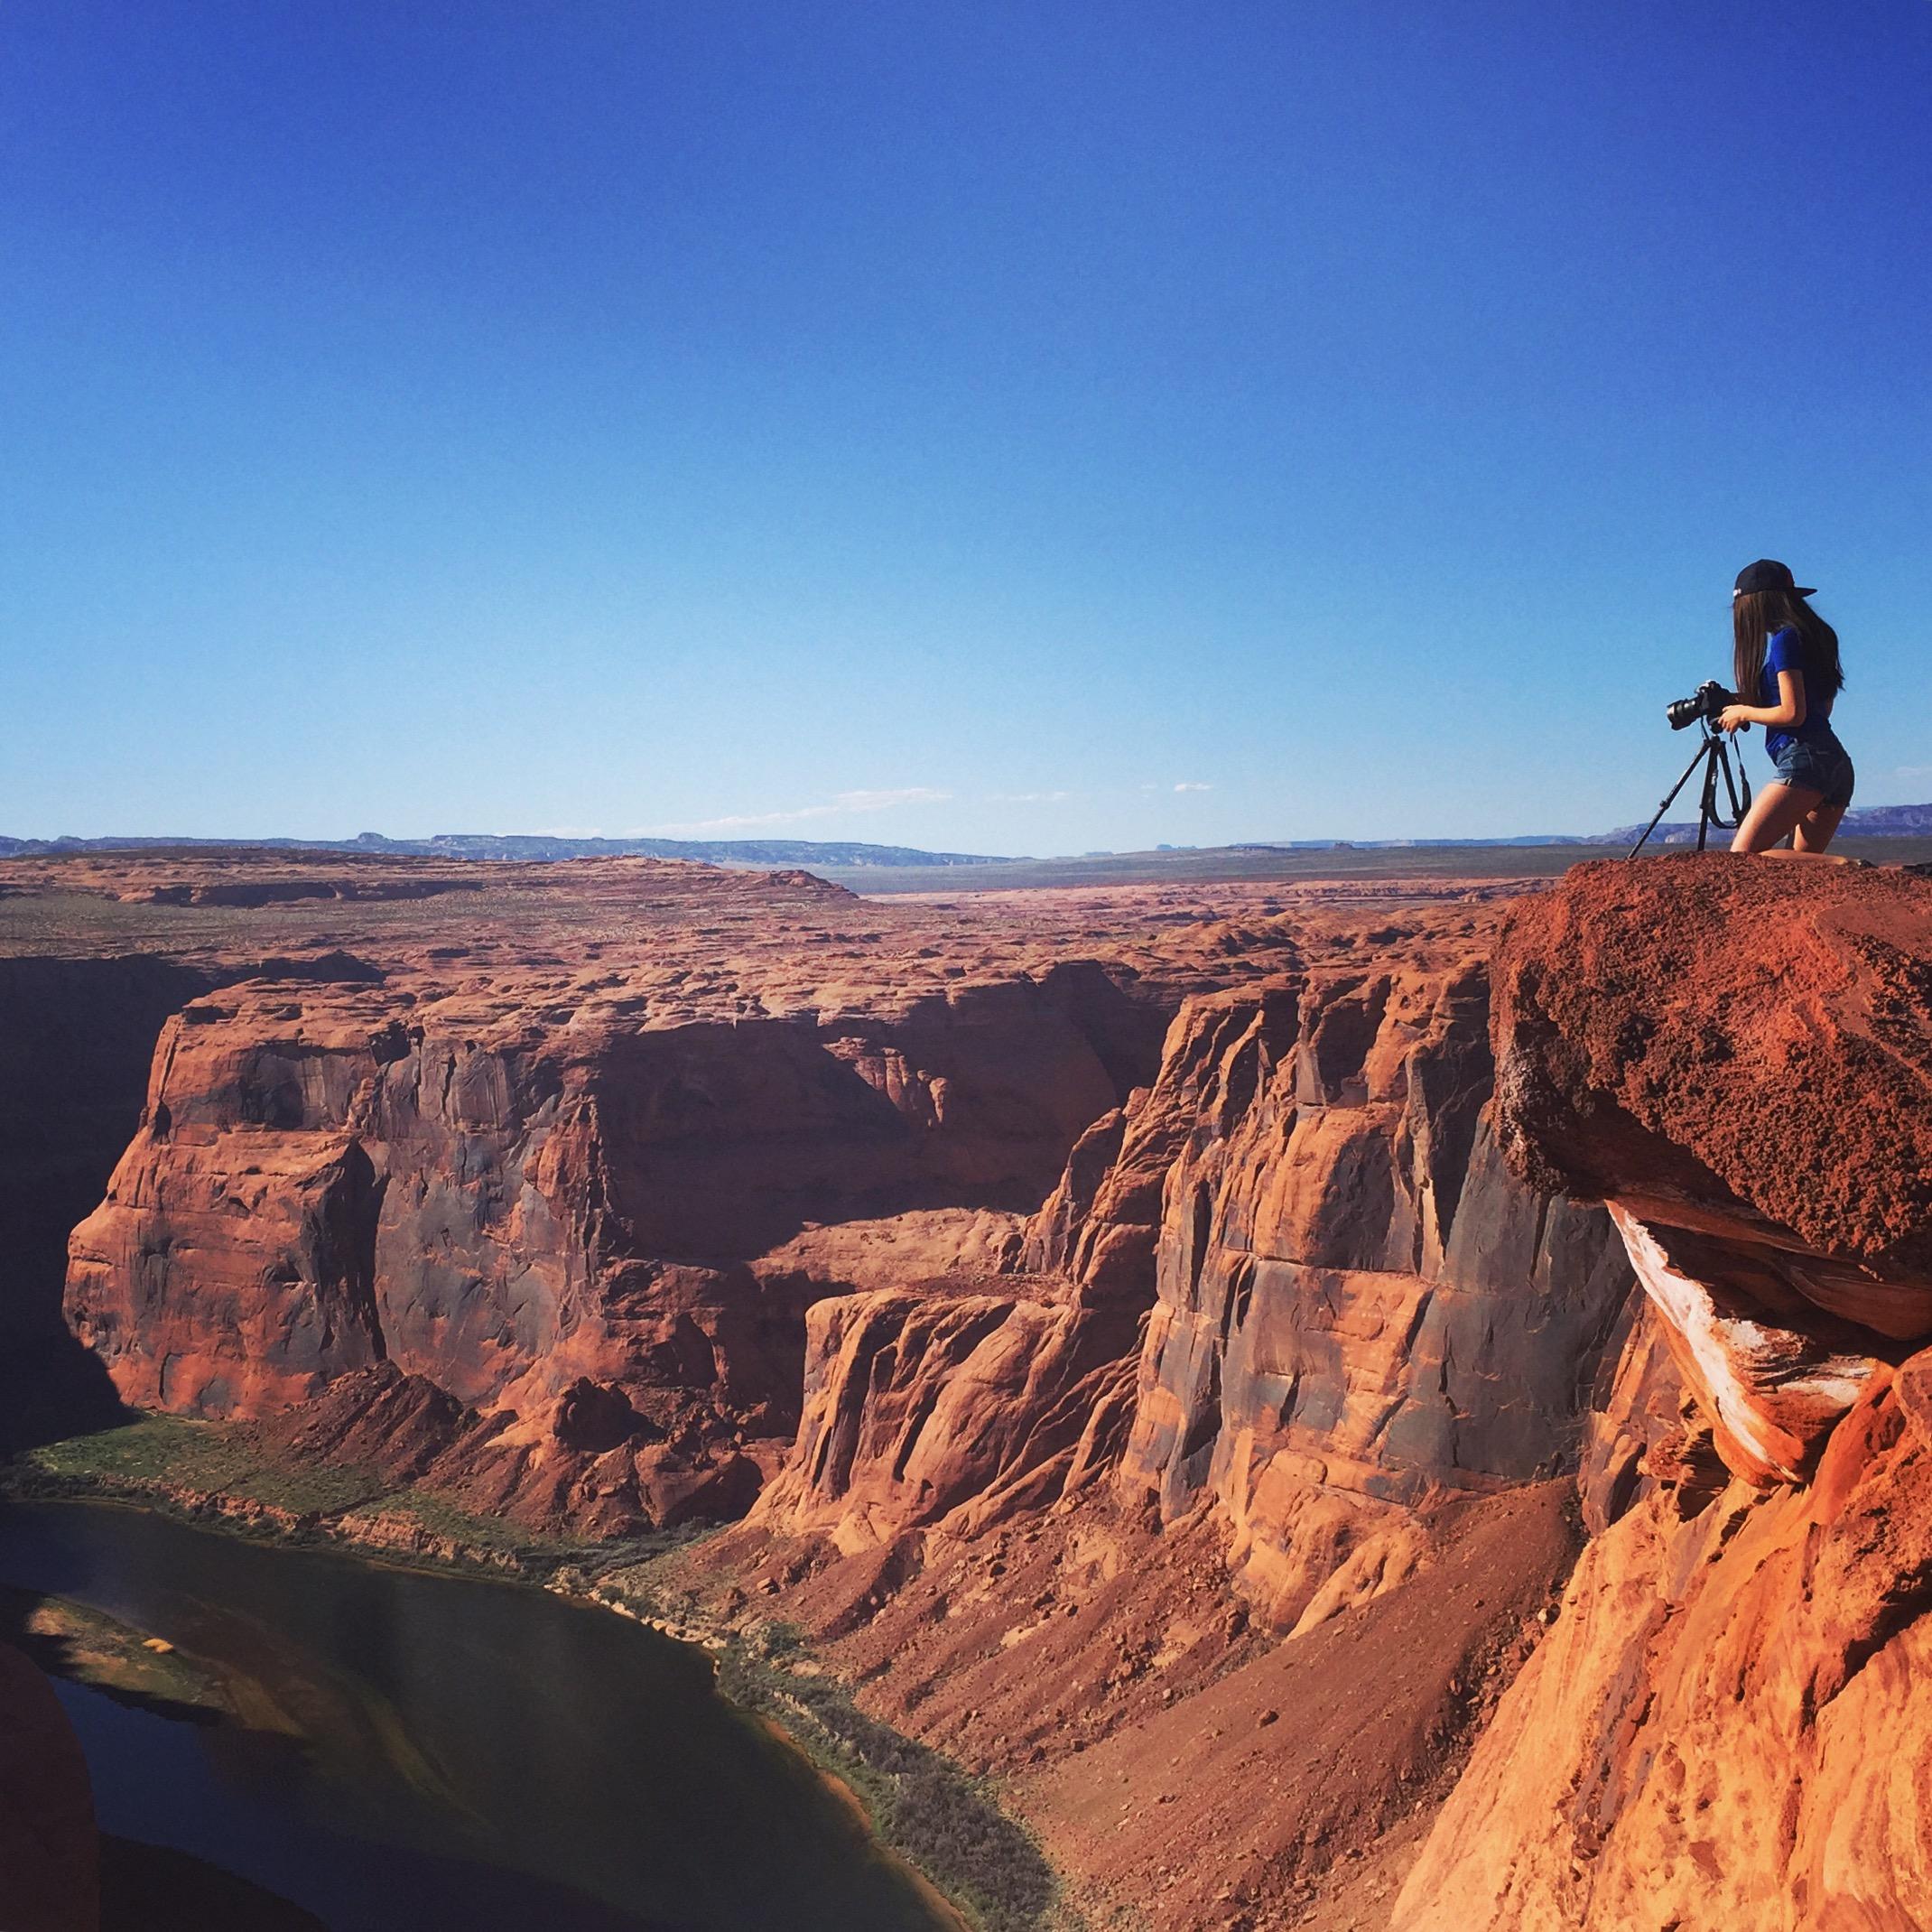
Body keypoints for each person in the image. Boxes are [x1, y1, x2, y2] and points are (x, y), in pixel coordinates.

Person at [1716, 558, 1853, 854]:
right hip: (1835, 762)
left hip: (1805, 762)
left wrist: (1743, 712)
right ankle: (1846, 870)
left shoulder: (1785, 640)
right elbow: (1821, 707)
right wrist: (1744, 700)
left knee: (1741, 857)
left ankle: (1846, 867)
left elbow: (1793, 713)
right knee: (1799, 870)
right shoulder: (1817, 636)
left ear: (1756, 604)